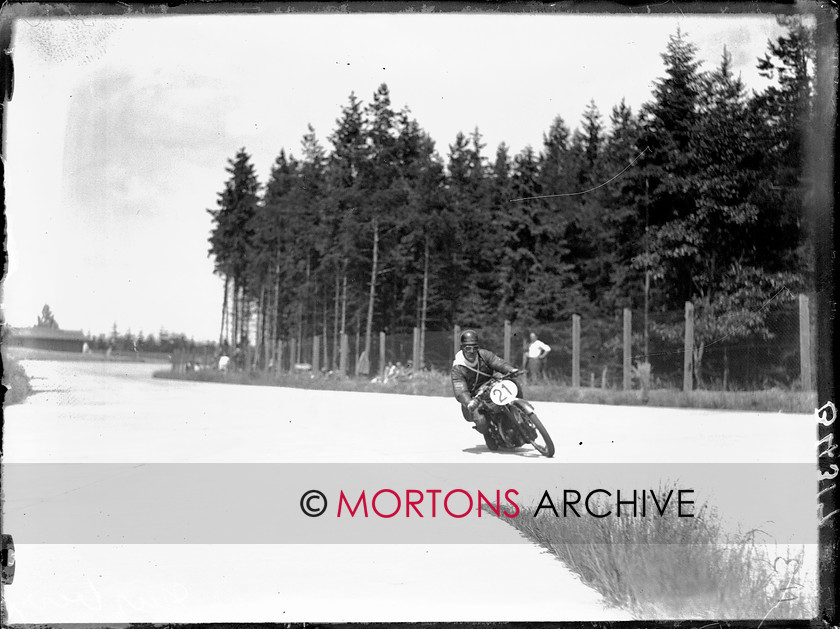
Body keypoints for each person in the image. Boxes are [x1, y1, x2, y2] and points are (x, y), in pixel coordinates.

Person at [451, 329, 518, 448]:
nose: (471, 352)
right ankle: (488, 433)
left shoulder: (484, 355)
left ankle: (519, 414)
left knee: (514, 384)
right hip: (474, 398)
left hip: (490, 387)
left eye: (474, 347)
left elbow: (498, 363)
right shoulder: (458, 368)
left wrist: (510, 370)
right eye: (467, 348)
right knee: (482, 422)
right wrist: (469, 402)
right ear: (462, 348)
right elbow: (460, 390)